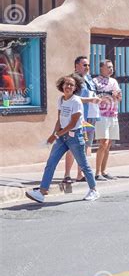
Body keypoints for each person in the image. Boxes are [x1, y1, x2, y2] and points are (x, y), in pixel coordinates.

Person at [25, 74, 99, 203]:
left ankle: (94, 190)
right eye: (66, 84)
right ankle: (42, 192)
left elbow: (72, 123)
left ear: (75, 88)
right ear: (62, 86)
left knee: (83, 164)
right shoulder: (61, 99)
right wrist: (53, 135)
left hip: (75, 136)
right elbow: (60, 120)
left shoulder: (76, 101)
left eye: (71, 85)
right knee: (51, 163)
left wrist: (57, 135)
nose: (68, 86)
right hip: (62, 137)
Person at [63, 56, 100, 183]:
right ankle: (67, 175)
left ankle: (80, 174)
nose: (87, 67)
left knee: (84, 146)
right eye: (84, 65)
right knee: (72, 146)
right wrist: (90, 100)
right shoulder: (72, 80)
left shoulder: (89, 79)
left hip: (90, 115)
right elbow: (72, 98)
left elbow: (93, 93)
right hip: (77, 117)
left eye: (88, 65)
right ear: (76, 66)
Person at [93, 59, 122, 181]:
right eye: (108, 67)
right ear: (101, 68)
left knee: (109, 144)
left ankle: (104, 171)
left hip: (113, 114)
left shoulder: (114, 81)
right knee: (103, 143)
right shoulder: (95, 81)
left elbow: (119, 97)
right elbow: (94, 96)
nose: (111, 69)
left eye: (112, 67)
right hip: (101, 115)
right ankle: (97, 172)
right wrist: (108, 94)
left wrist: (117, 95)